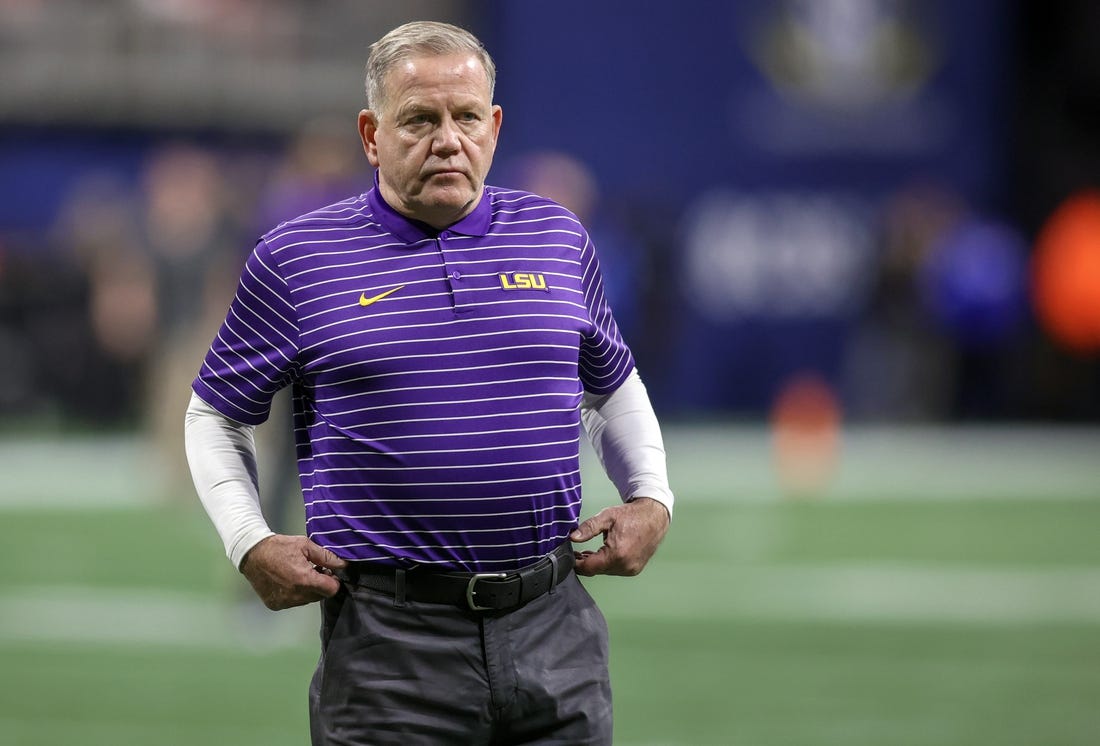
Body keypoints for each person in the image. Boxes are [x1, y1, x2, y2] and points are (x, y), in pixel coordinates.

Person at [184, 20, 673, 745]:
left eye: (467, 117)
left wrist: (652, 496)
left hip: (554, 628)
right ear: (371, 134)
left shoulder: (557, 235)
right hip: (389, 647)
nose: (448, 139)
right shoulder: (299, 256)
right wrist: (247, 540)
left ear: (494, 126)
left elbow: (610, 385)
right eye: (419, 118)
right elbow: (213, 415)